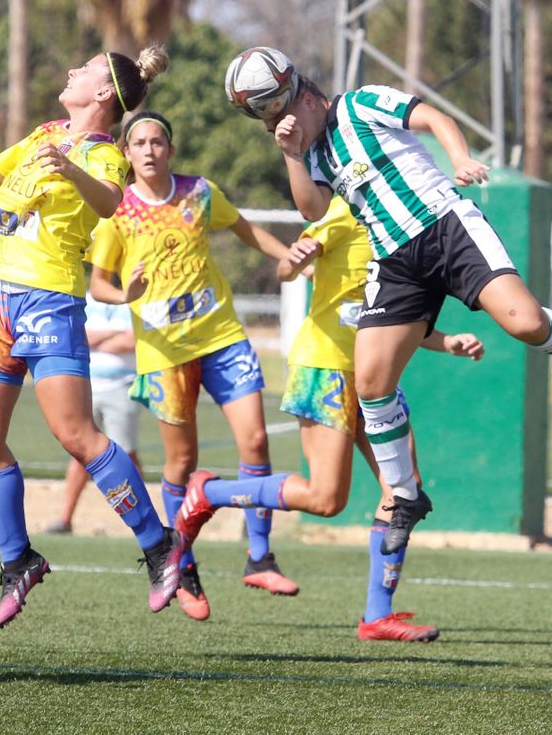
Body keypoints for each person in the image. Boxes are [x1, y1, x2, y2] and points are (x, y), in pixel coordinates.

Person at [255, 51, 552, 554]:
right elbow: (313, 208)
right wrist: (293, 154)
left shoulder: (361, 103)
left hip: (445, 226)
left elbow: (433, 116)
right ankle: (406, 496)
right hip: (394, 260)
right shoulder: (315, 153)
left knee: (523, 323)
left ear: (305, 94)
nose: (282, 124)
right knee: (370, 381)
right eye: (270, 122)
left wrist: (458, 158)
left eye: (283, 113)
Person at [0, 46, 186, 626]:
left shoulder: (104, 153)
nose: (73, 70)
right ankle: (18, 560)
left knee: (76, 435)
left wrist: (69, 169)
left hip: (47, 302)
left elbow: (107, 203)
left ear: (102, 93)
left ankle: (158, 543)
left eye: (88, 67)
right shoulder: (46, 132)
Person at [175, 196, 485, 641]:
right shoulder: (349, 210)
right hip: (326, 367)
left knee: (403, 489)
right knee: (325, 499)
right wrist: (295, 258)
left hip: (375, 376)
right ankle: (211, 492)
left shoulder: (408, 228)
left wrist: (448, 340)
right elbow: (287, 270)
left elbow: (393, 319)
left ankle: (378, 616)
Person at [87, 110, 294, 621]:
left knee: (257, 441)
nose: (150, 150)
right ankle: (185, 563)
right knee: (181, 463)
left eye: (159, 141)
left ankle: (259, 554)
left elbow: (245, 229)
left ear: (171, 151)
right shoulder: (118, 213)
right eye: (139, 143)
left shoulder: (199, 193)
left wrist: (289, 258)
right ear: (127, 153)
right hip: (163, 352)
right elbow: (98, 284)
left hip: (221, 336)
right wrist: (125, 293)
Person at [47, 292, 143, 534]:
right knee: (80, 451)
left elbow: (135, 340)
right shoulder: (85, 297)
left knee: (126, 454)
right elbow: (79, 337)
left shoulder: (134, 298)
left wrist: (98, 338)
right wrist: (114, 335)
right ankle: (65, 519)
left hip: (123, 387)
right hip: (85, 387)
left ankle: (144, 517)